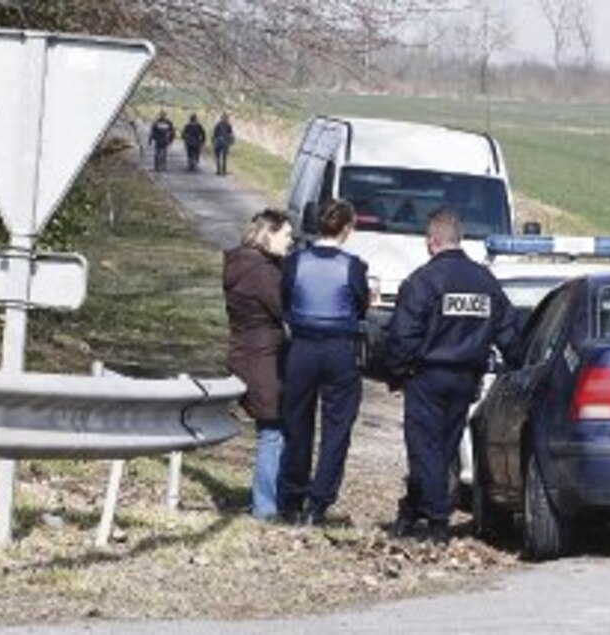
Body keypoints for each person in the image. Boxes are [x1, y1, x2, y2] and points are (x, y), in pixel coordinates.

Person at [384, 208, 522, 545]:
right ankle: (410, 511)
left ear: (432, 242)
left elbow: (403, 335)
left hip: (427, 376)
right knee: (443, 449)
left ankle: (436, 520)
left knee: (424, 449)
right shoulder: (485, 281)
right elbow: (509, 332)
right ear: (457, 239)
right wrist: (520, 365)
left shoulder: (422, 281)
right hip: (466, 378)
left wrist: (397, 372)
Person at [277, 200, 371, 525]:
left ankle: (291, 497)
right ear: (346, 229)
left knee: (297, 424)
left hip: (301, 348)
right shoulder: (354, 266)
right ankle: (319, 502)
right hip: (339, 349)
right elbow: (361, 306)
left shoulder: (295, 262)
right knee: (336, 428)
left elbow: (285, 301)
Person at [223, 209, 294, 521]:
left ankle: (271, 499)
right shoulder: (261, 273)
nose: (290, 244)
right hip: (261, 358)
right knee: (272, 431)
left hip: (249, 354)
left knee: (273, 430)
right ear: (269, 233)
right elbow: (285, 308)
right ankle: (265, 506)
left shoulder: (243, 263)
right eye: (287, 237)